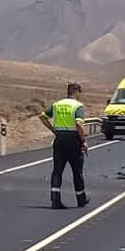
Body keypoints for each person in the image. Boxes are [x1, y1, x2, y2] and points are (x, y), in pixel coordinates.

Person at [41, 81, 89, 209]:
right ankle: (81, 199)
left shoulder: (57, 104)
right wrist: (83, 141)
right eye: (80, 93)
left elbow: (43, 116)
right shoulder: (78, 106)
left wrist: (52, 129)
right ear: (77, 92)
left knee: (57, 171)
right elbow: (79, 124)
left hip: (59, 139)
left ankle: (55, 200)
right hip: (73, 140)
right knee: (77, 172)